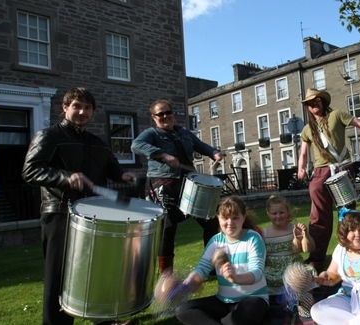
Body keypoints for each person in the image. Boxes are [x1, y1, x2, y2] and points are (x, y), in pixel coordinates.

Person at [22, 87, 136, 325]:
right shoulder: (49, 136)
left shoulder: (96, 142)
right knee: (59, 277)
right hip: (61, 214)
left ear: (93, 112)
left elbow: (113, 169)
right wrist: (66, 177)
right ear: (65, 108)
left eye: (87, 107)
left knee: (97, 271)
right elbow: (30, 170)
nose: (82, 112)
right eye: (77, 106)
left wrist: (124, 176)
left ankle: (103, 319)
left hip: (95, 214)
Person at [131, 99, 223, 274]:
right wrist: (163, 155)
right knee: (167, 228)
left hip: (189, 182)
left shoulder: (184, 132)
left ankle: (211, 267)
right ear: (154, 117)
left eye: (168, 112)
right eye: (161, 114)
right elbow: (136, 145)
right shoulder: (152, 134)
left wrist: (213, 152)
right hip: (162, 184)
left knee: (211, 221)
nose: (166, 116)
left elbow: (200, 145)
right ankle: (167, 275)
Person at [297, 88, 360, 271]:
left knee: (347, 214)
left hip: (342, 168)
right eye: (309, 103)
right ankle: (316, 260)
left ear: (322, 101)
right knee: (318, 218)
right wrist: (301, 168)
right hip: (320, 173)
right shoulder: (307, 129)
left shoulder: (337, 115)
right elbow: (304, 153)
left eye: (316, 101)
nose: (313, 105)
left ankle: (351, 255)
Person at [175, 196, 269, 325]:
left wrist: (235, 278)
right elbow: (202, 268)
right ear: (218, 218)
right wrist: (187, 285)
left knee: (247, 313)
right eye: (225, 218)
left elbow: (257, 273)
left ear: (243, 217)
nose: (230, 223)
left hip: (252, 299)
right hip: (223, 301)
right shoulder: (216, 241)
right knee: (183, 310)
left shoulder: (253, 238)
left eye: (235, 218)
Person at [262, 195, 315, 296]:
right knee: (263, 276)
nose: (278, 216)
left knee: (305, 273)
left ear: (288, 212)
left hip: (293, 266)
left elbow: (311, 248)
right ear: (268, 214)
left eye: (281, 212)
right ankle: (274, 298)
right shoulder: (265, 234)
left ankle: (301, 298)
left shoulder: (294, 230)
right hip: (272, 269)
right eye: (274, 213)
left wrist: (305, 234)